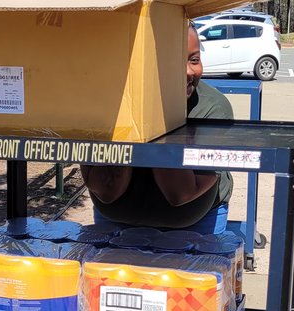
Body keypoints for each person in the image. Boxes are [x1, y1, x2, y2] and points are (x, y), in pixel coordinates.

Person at [81, 23, 233, 233]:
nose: (189, 71)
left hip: (197, 228)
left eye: (194, 59)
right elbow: (108, 190)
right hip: (115, 225)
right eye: (172, 61)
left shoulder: (213, 108)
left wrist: (158, 114)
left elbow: (180, 194)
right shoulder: (106, 105)